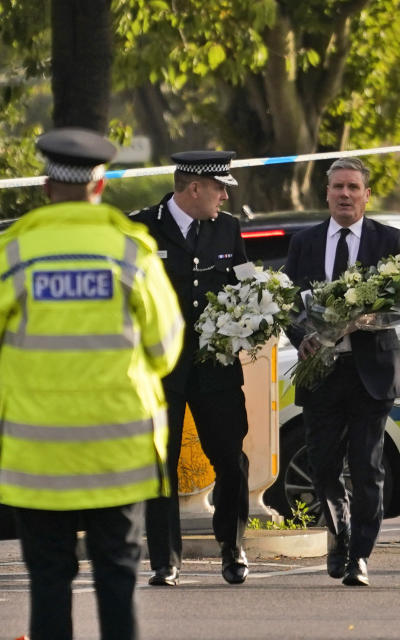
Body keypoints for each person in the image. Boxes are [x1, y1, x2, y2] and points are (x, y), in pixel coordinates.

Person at [0, 128, 183, 639]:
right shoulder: (131, 253)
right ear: (101, 184)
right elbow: (165, 348)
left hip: (36, 459)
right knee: (117, 579)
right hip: (119, 455)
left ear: (46, 186)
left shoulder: (15, 255)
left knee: (48, 583)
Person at [283, 157, 400, 587]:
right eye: (338, 187)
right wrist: (302, 336)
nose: (345, 194)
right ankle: (341, 533)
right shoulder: (306, 242)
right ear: (327, 193)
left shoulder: (388, 239)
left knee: (368, 464)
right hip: (322, 373)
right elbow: (287, 300)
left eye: (353, 187)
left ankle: (359, 556)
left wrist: (368, 319)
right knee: (322, 466)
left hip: (371, 371)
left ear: (366, 195)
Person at [130, 151, 252, 586]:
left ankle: (232, 546)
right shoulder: (142, 227)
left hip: (215, 369)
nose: (224, 195)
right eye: (219, 187)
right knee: (159, 464)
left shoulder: (228, 227)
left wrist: (256, 317)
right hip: (161, 371)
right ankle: (165, 560)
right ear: (194, 188)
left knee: (231, 459)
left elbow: (245, 286)